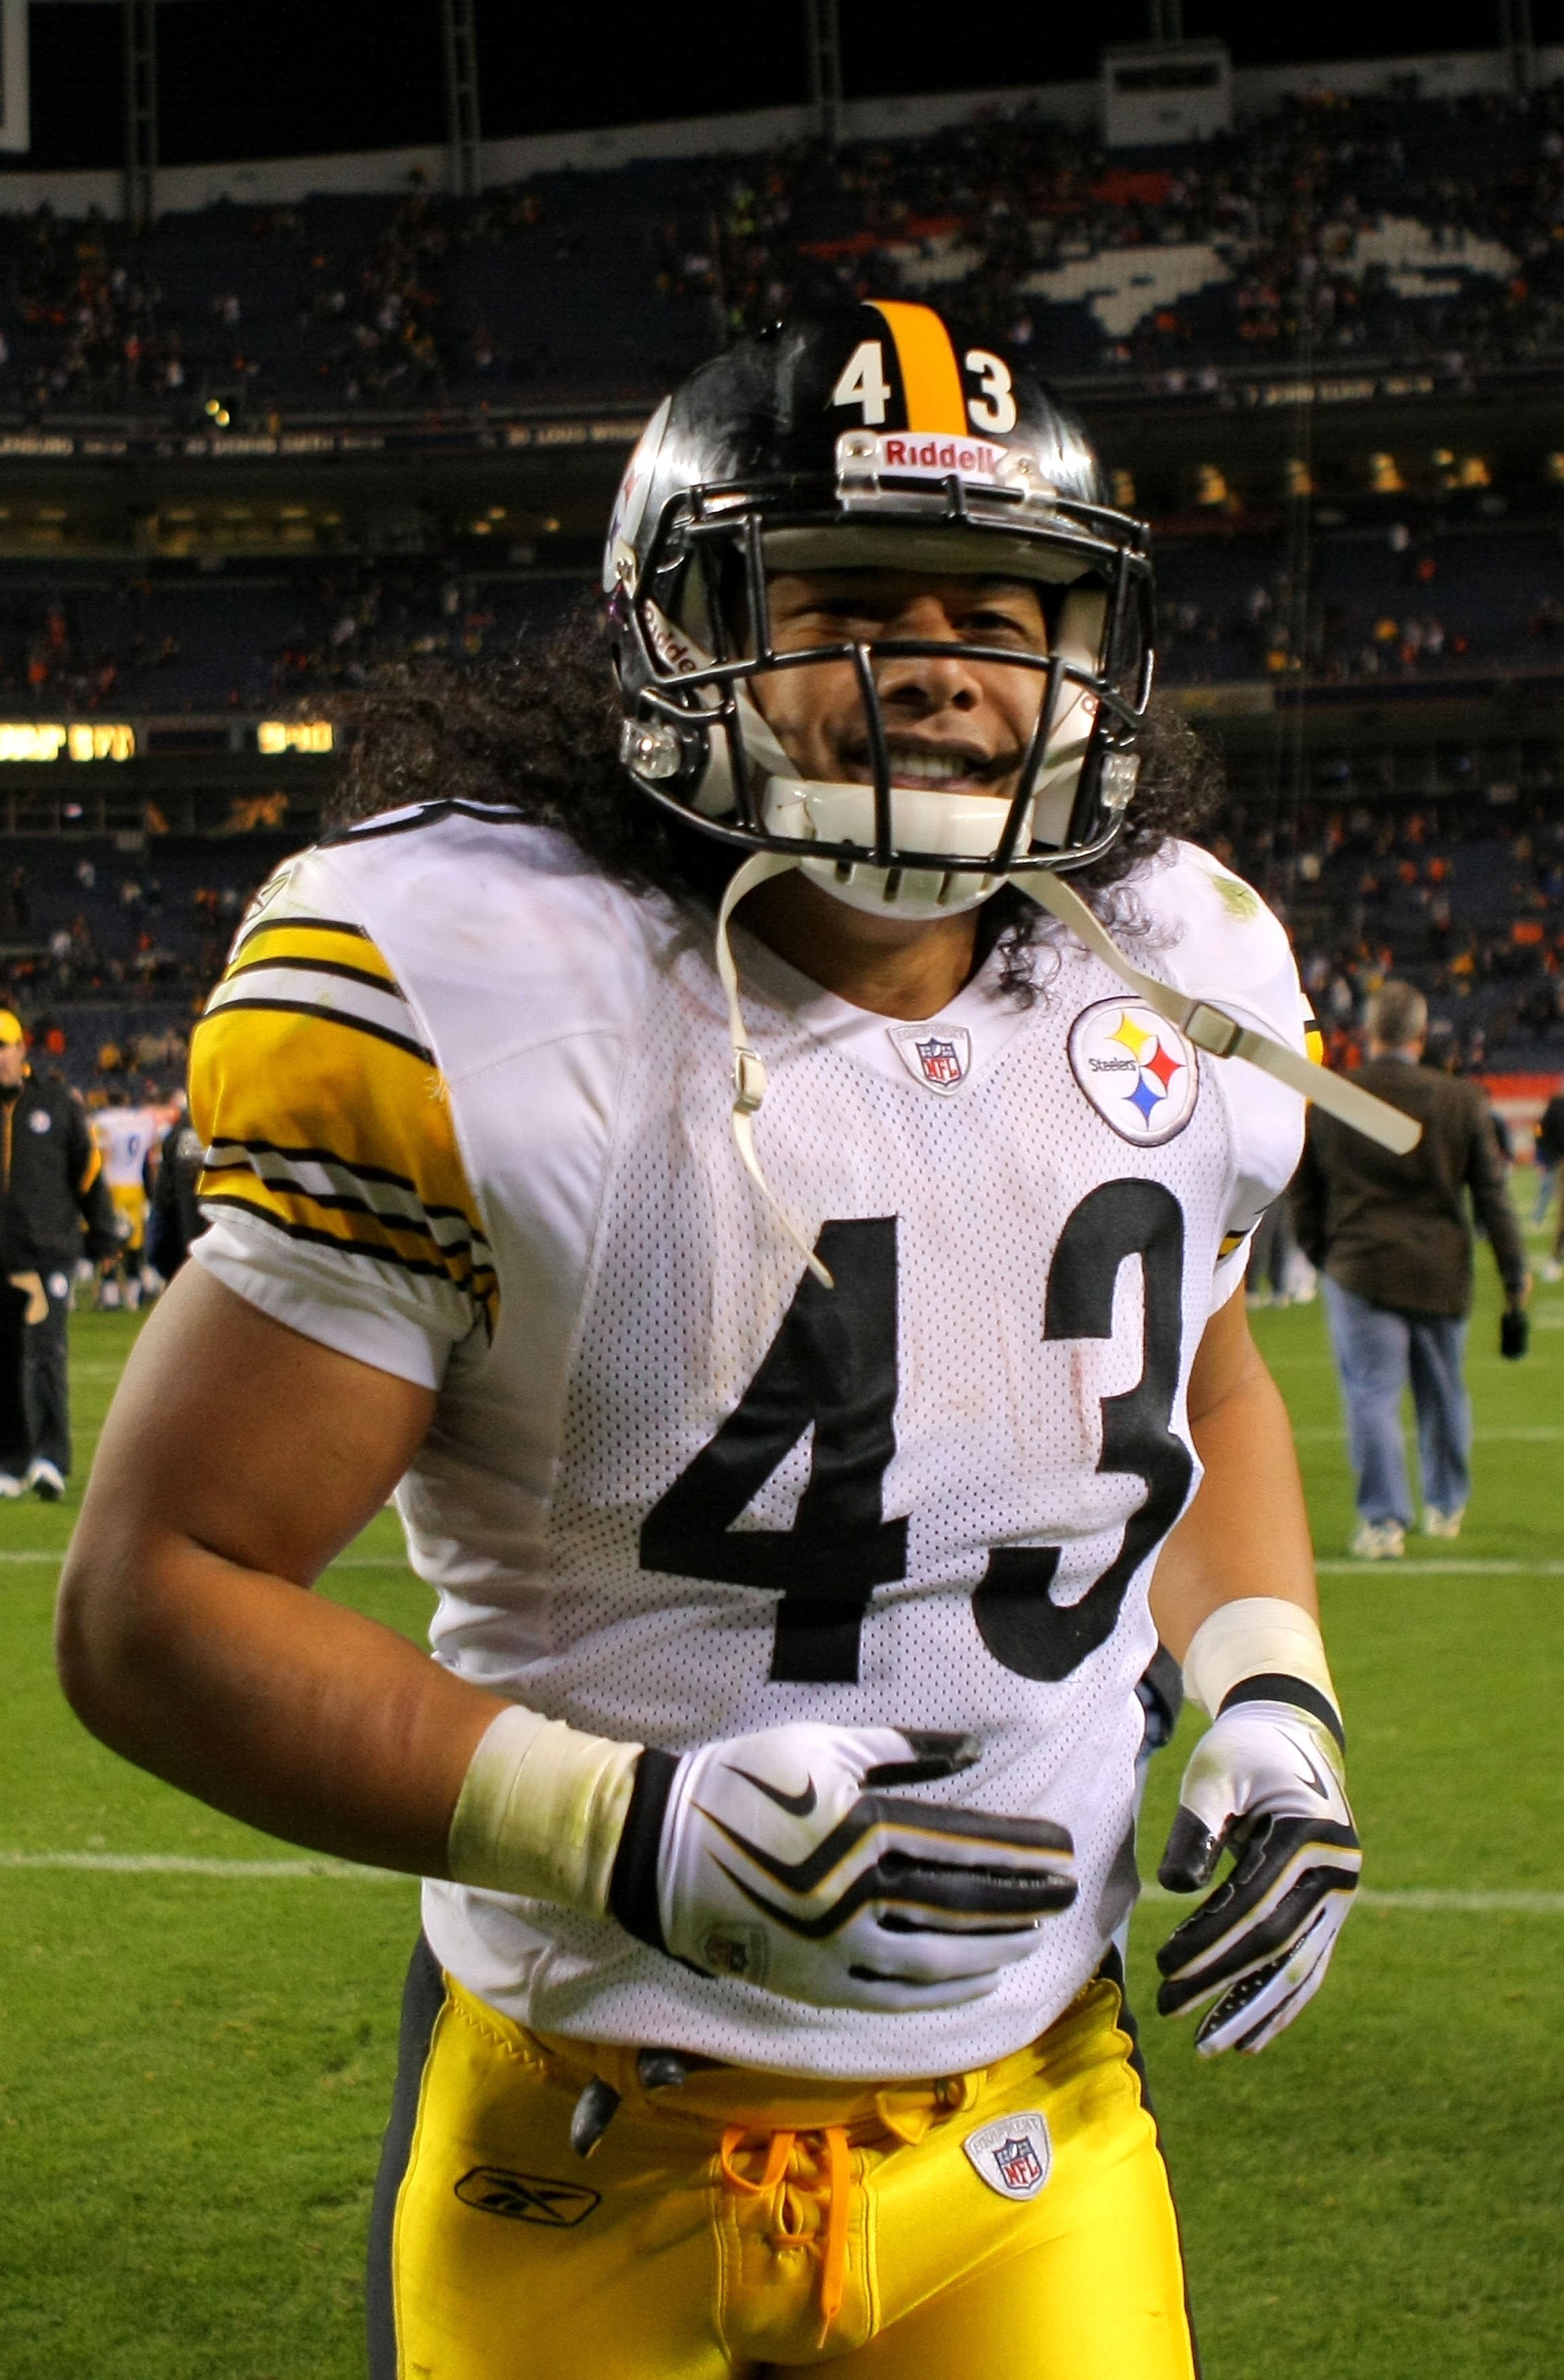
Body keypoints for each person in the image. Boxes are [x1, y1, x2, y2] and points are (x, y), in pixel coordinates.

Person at [59, 305, 1390, 2380]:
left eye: (1000, 607)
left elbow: (1188, 1378)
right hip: (572, 2120)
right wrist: (624, 1827)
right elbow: (157, 1597)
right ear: (670, 631)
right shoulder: (479, 975)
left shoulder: (1177, 953)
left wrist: (1270, 1698)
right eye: (844, 596)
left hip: (1032, 2108)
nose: (939, 659)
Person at [1291, 979, 1529, 1558]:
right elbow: (1492, 1197)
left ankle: (1382, 1522)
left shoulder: (1332, 1097)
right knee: (1444, 1395)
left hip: (1361, 1264)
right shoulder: (1460, 1100)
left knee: (1372, 1397)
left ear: (1369, 1033)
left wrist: (1327, 1254)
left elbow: (1305, 1194)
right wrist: (1513, 1270)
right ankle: (1446, 1505)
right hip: (1440, 1268)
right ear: (1422, 1035)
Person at [0, 1008, 119, 1498]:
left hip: (47, 1249)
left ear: (21, 1049)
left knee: (45, 1350)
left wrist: (104, 1234)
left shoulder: (55, 1103)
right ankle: (11, 1461)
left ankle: (50, 1459)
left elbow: (88, 1172)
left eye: (4, 1047)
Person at [90, 1096, 161, 1309]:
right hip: (136, 1186)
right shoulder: (144, 1121)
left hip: (112, 1186)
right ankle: (133, 1296)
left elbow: (104, 1155)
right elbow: (153, 1156)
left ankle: (111, 1296)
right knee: (135, 1244)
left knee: (110, 1241)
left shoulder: (103, 1120)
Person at [1535, 1085, 1564, 1281]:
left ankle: (1555, 1262)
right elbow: (1541, 1131)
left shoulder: (1557, 1104)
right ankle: (1555, 1261)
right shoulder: (1557, 1104)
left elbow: (1541, 1131)